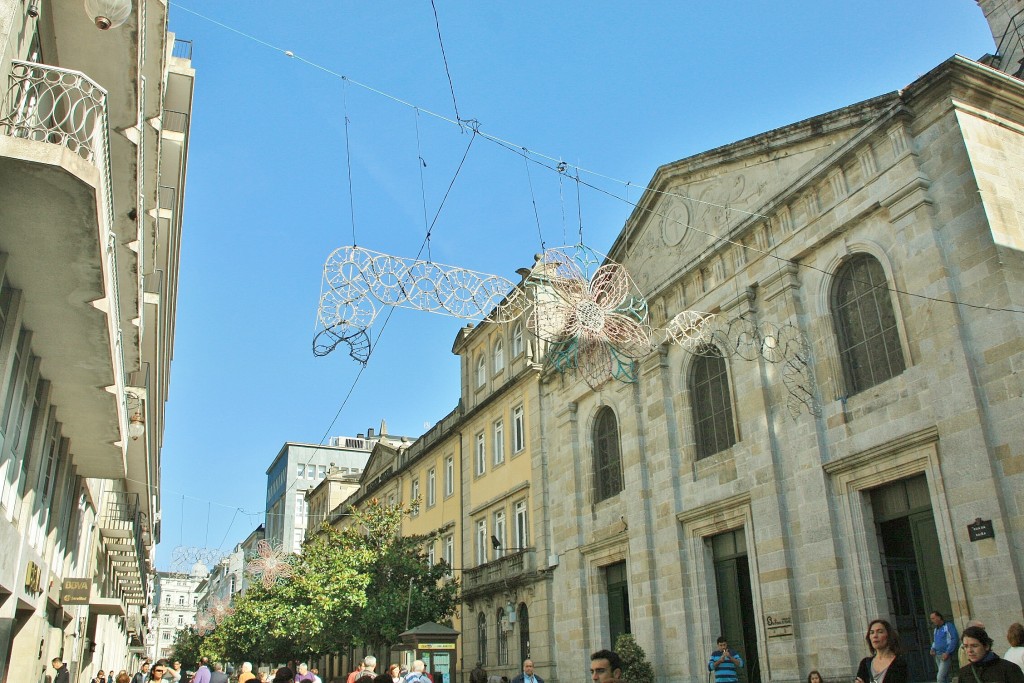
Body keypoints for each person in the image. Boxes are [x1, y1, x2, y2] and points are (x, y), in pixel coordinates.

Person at [959, 625, 1024, 683]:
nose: (969, 650)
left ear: (986, 646)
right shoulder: (964, 673)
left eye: (974, 646)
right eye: (965, 646)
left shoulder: (1009, 669)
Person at [855, 619, 909, 683]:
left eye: (880, 632)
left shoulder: (899, 663)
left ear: (889, 636)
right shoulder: (865, 664)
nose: (875, 636)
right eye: (872, 633)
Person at [930, 611, 959, 683]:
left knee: (940, 677)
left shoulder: (948, 626)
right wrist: (932, 648)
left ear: (939, 617)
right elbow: (935, 641)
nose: (932, 620)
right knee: (945, 677)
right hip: (937, 655)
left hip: (945, 654)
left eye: (933, 618)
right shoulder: (936, 629)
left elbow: (954, 639)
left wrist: (948, 652)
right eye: (931, 619)